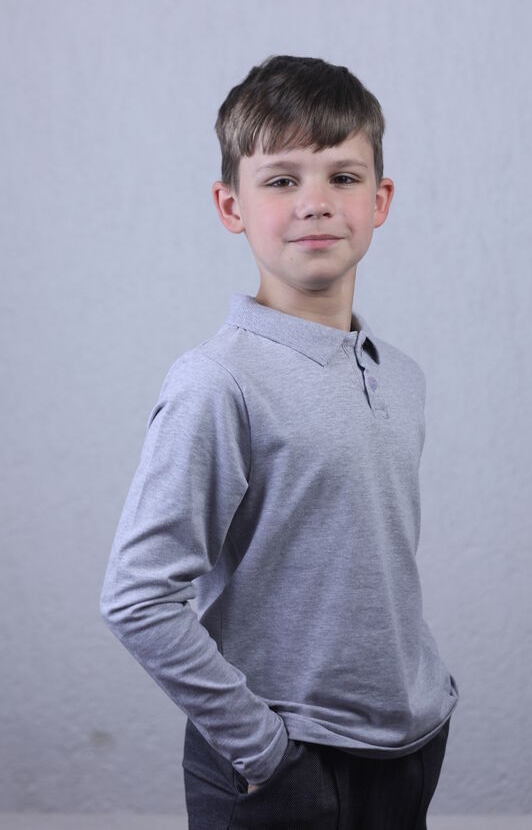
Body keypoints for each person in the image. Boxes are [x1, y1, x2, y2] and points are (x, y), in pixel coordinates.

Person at [100, 54, 459, 829]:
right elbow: (137, 596)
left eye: (343, 176)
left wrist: (428, 695)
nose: (316, 202)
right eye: (282, 180)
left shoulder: (400, 375)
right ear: (231, 205)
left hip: (407, 749)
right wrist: (263, 751)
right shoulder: (217, 382)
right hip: (283, 765)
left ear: (380, 199)